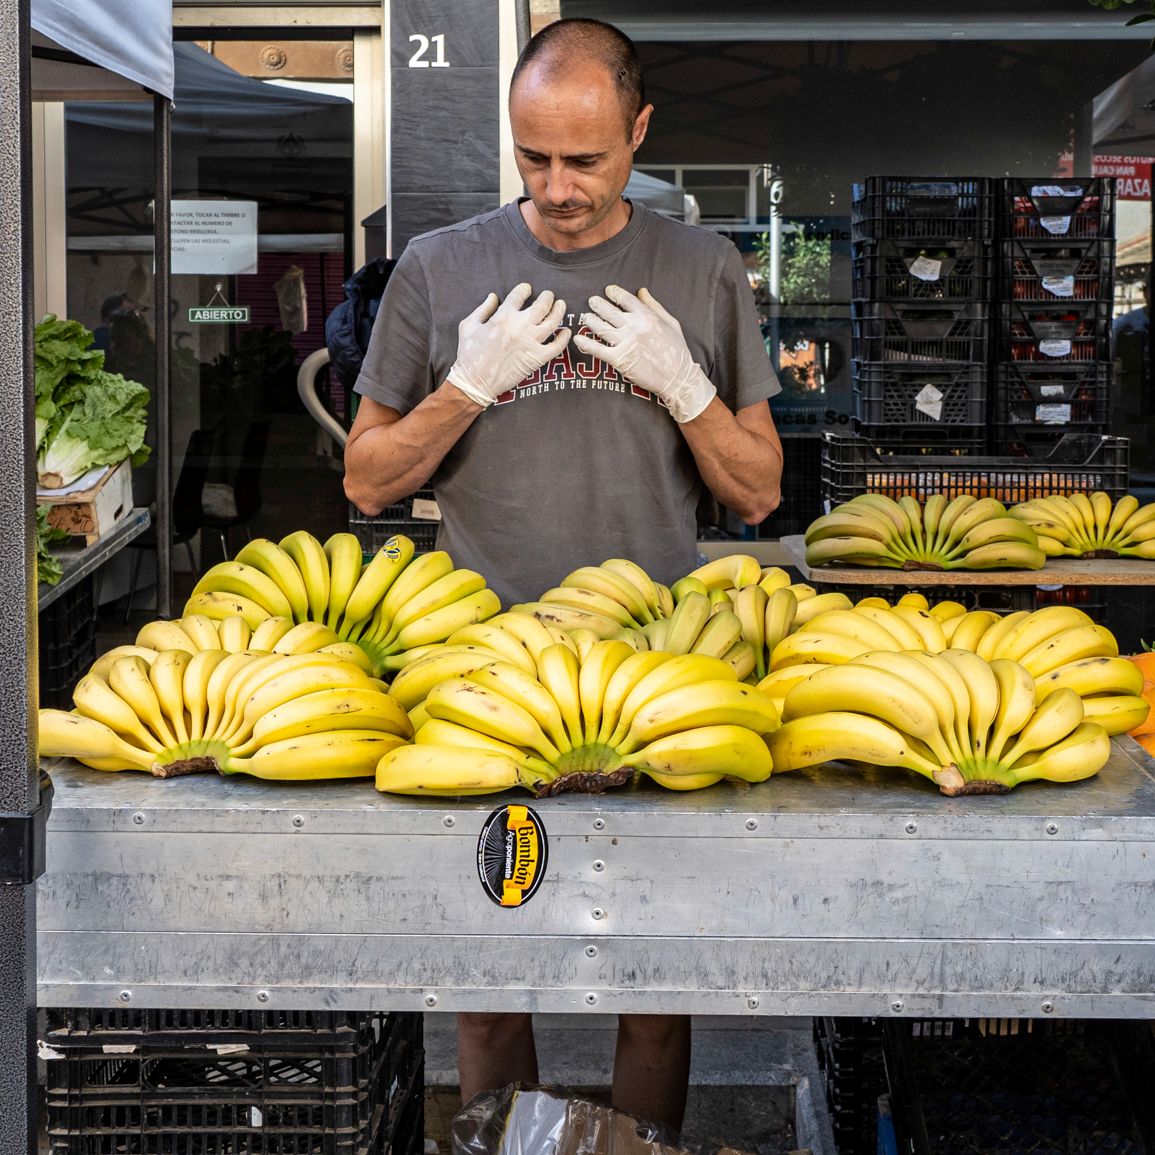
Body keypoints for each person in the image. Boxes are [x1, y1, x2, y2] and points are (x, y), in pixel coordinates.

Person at [344, 17, 783, 1130]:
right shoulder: (443, 268)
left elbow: (760, 493)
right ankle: (499, 1145)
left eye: (585, 159)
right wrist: (466, 388)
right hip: (483, 671)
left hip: (657, 671)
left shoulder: (702, 267)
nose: (558, 186)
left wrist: (685, 387)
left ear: (639, 133)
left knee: (653, 990)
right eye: (533, 157)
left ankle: (645, 1152)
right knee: (490, 986)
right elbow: (366, 477)